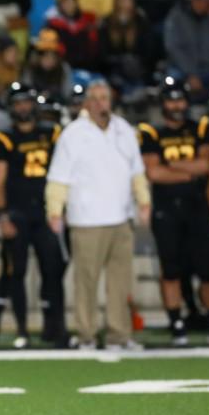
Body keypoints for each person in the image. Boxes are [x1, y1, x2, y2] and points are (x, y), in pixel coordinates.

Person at [45, 80, 151, 351]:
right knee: (86, 282)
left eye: (106, 98)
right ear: (87, 103)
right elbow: (58, 178)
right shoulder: (73, 134)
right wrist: (55, 209)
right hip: (87, 219)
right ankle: (87, 335)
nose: (103, 103)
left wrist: (144, 200)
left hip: (120, 218)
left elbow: (136, 171)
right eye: (98, 98)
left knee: (120, 282)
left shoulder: (124, 130)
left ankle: (119, 334)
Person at [0, 83, 67, 348]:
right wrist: (1, 215)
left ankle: (56, 328)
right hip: (17, 212)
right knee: (16, 271)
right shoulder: (3, 137)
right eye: (18, 103)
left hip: (45, 212)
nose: (23, 107)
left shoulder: (52, 133)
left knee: (53, 270)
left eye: (26, 101)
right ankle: (22, 330)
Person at [137, 77, 209, 346]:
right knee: (170, 269)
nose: (177, 105)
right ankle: (176, 321)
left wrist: (173, 167)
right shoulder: (151, 132)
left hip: (197, 208)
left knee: (208, 269)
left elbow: (206, 165)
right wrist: (188, 171)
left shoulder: (200, 127)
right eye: (171, 100)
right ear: (163, 103)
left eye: (180, 99)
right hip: (167, 210)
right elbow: (153, 173)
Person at [100, 0, 160, 106]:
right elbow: (102, 54)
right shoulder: (107, 23)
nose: (124, 3)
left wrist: (135, 62)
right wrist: (120, 61)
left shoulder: (141, 22)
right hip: (114, 72)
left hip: (138, 71)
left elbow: (149, 52)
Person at [164, 0, 209, 100]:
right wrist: (190, 73)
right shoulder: (176, 17)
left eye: (203, 0)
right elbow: (173, 48)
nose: (200, 4)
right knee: (172, 79)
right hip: (183, 69)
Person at [45, 0, 100, 72]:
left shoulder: (86, 24)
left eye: (71, 2)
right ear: (60, 4)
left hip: (85, 67)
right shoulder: (52, 25)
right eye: (65, 2)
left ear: (76, 3)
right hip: (61, 67)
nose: (68, 5)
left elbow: (93, 46)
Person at [22, 29, 73, 101]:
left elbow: (67, 94)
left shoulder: (63, 68)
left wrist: (52, 96)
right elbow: (25, 92)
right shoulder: (31, 68)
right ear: (39, 57)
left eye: (53, 57)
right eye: (46, 57)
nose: (50, 61)